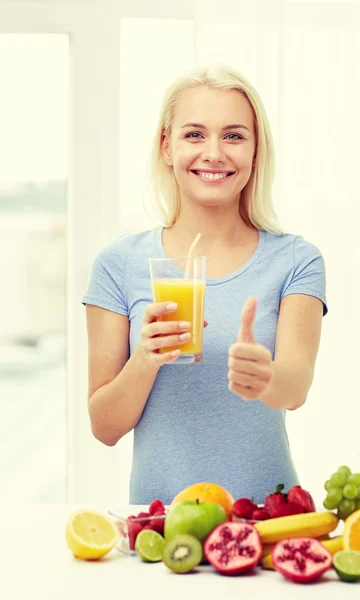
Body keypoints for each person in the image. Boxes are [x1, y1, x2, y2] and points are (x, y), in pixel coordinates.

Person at [82, 65, 328, 506]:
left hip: (267, 524)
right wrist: (146, 359)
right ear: (166, 146)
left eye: (234, 136)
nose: (213, 153)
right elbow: (104, 427)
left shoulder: (296, 260)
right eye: (194, 135)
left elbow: (296, 388)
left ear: (255, 152)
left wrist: (265, 375)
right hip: (161, 530)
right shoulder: (119, 264)